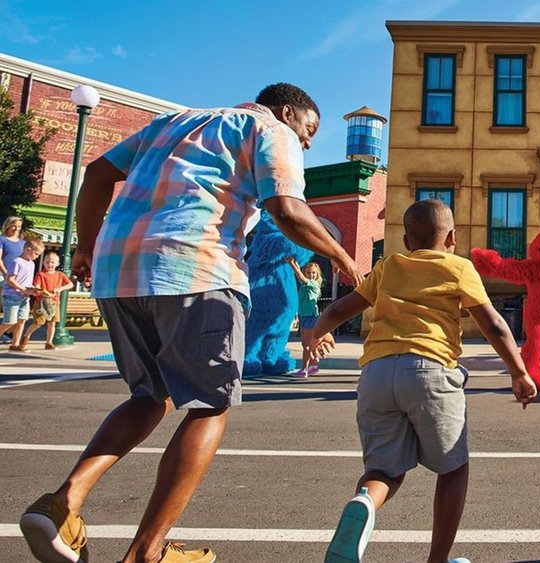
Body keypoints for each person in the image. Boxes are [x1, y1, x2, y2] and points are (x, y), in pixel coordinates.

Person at [19, 83, 364, 563]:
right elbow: (286, 209)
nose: (307, 143)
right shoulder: (270, 129)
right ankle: (147, 551)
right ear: (289, 112)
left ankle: (62, 503)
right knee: (209, 407)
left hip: (120, 275)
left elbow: (97, 174)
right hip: (197, 270)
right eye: (309, 131)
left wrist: (84, 246)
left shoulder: (172, 121)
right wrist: (343, 258)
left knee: (149, 397)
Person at [310, 199, 537, 563]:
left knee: (383, 470)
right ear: (451, 238)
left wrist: (315, 334)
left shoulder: (389, 265)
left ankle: (364, 502)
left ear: (405, 240)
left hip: (376, 373)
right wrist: (518, 372)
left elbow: (341, 308)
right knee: (453, 467)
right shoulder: (459, 267)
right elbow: (493, 323)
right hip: (429, 370)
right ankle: (437, 560)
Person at [19, 250, 74, 350]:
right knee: (38, 322)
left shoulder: (60, 274)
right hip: (41, 302)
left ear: (57, 264)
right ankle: (26, 337)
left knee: (52, 323)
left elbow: (70, 284)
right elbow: (37, 285)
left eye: (52, 262)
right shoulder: (41, 274)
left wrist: (60, 288)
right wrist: (39, 289)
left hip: (54, 302)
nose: (50, 264)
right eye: (47, 262)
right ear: (44, 263)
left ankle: (49, 342)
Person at [2, 239, 43, 352]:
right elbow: (10, 279)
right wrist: (23, 289)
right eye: (36, 254)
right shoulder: (17, 262)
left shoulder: (32, 264)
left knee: (22, 320)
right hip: (12, 296)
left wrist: (32, 289)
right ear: (28, 250)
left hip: (24, 297)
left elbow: (27, 281)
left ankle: (15, 344)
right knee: (10, 322)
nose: (37, 257)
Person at [287, 257, 323, 377]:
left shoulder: (313, 284)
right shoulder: (305, 284)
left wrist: (292, 264)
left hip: (311, 317)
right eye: (308, 272)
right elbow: (301, 277)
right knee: (306, 344)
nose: (311, 275)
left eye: (313, 273)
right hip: (305, 316)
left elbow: (301, 277)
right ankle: (313, 365)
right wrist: (295, 263)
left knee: (306, 345)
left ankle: (304, 369)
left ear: (317, 274)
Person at [0, 216, 27, 343]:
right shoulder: (2, 240)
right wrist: (5, 272)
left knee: (18, 310)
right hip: (4, 275)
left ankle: (11, 335)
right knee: (4, 304)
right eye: (14, 225)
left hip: (19, 278)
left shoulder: (23, 243)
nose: (16, 229)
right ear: (8, 226)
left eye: (19, 226)